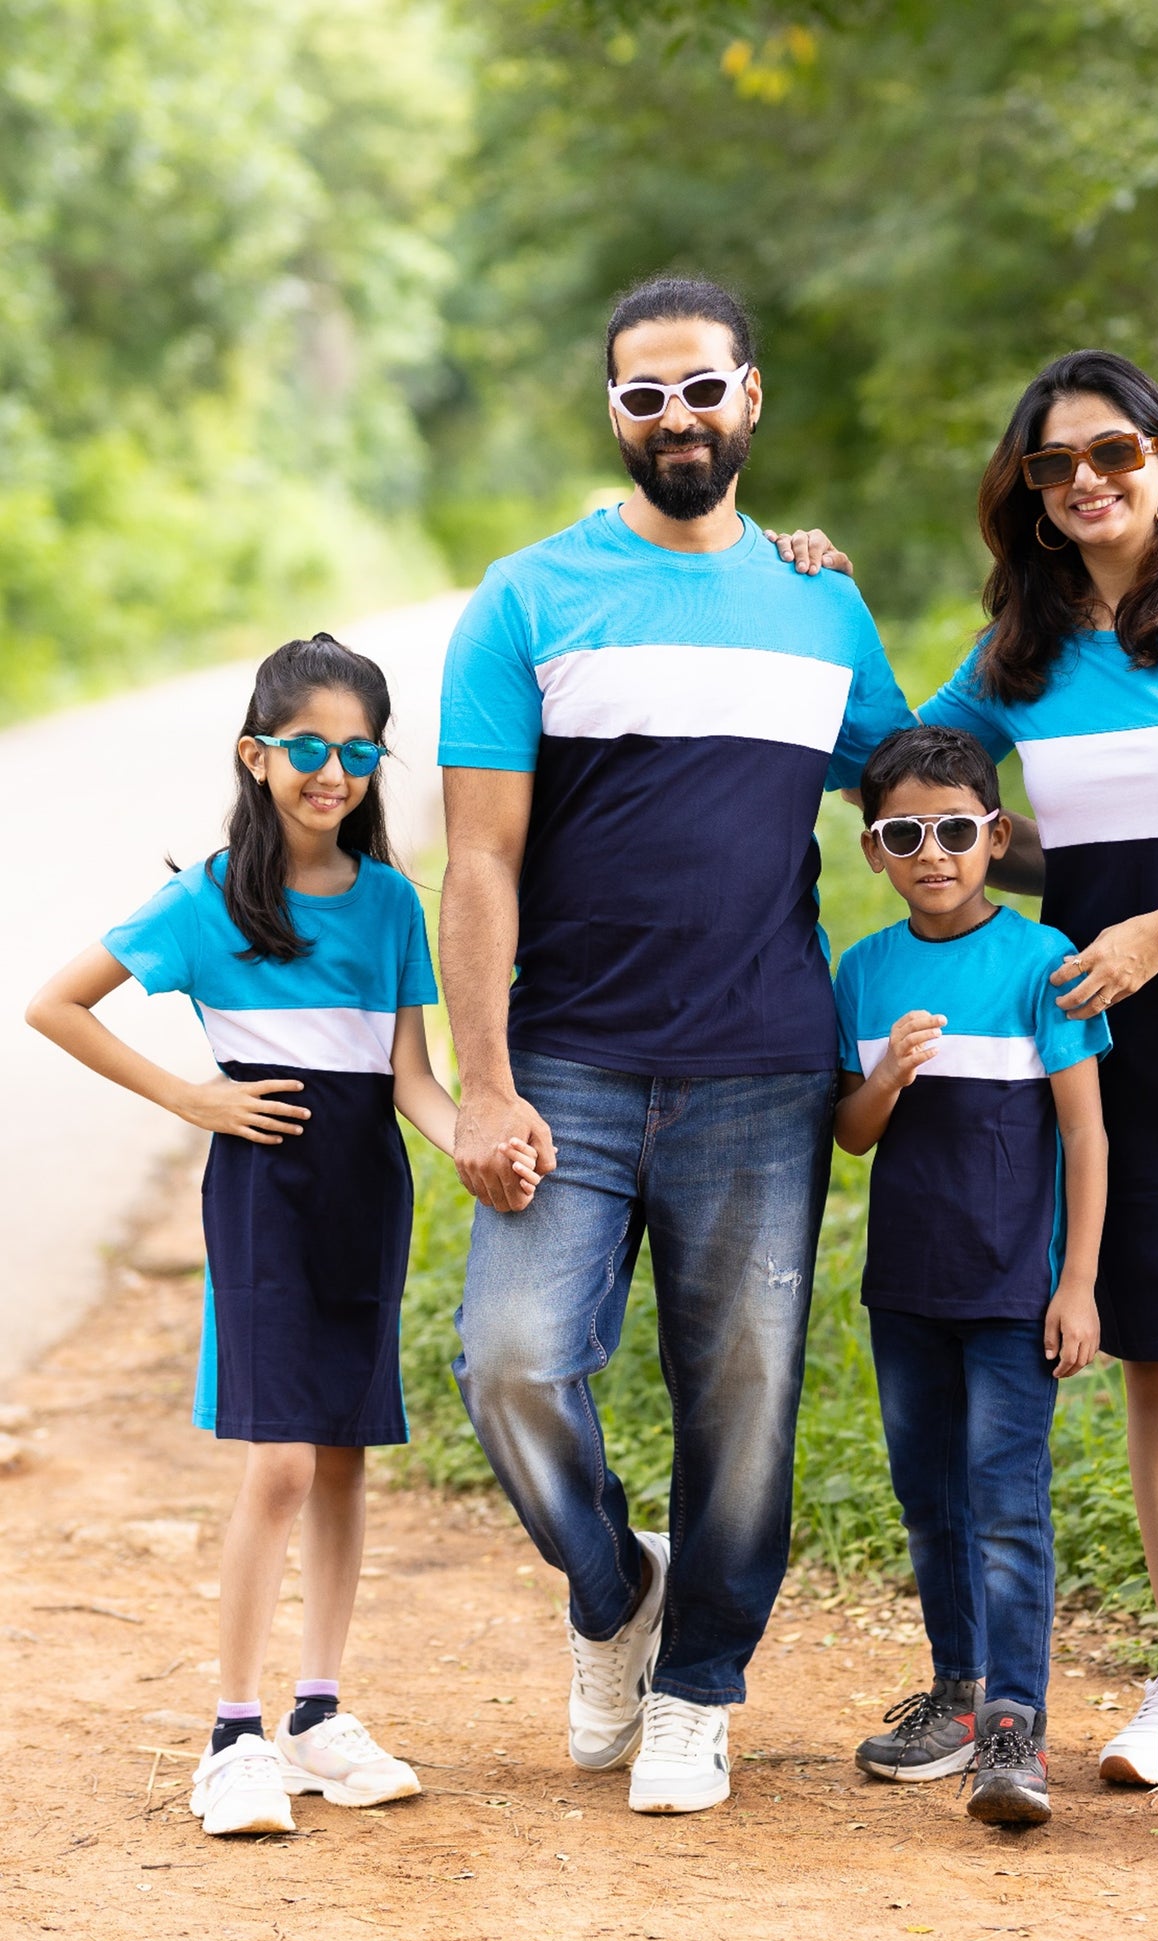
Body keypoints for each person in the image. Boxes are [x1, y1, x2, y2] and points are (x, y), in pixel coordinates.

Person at [780, 347, 1158, 1855]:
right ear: (1030, 494)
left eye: (1114, 450)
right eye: (1053, 464)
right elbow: (902, 772)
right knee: (1155, 1368)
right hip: (1102, 1040)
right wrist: (826, 603)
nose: (1086, 480)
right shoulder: (1023, 656)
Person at [436, 273, 915, 1816]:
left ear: (749, 396)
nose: (677, 417)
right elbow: (478, 859)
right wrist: (484, 1081)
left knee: (744, 1399)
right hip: (566, 1062)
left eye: (702, 387)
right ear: (614, 413)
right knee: (511, 1361)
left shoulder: (820, 603)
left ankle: (700, 1685)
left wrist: (1142, 887)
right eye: (645, 395)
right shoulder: (526, 597)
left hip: (762, 1068)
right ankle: (614, 1588)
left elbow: (918, 790)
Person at [26, 634, 471, 1837]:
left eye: (358, 753)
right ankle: (231, 1734)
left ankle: (317, 1715)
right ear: (254, 754)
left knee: (344, 1455)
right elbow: (56, 1003)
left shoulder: (391, 903)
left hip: (367, 1194)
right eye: (308, 747)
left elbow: (411, 1082)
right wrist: (193, 1099)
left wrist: (476, 1150)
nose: (333, 772)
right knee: (279, 1462)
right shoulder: (210, 898)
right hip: (263, 1195)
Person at [834, 724, 1108, 1824]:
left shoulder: (1043, 962)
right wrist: (889, 1075)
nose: (932, 853)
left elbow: (1084, 1134)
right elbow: (849, 1134)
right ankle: (955, 1696)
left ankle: (1013, 1725)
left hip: (1010, 1294)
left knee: (1005, 1503)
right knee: (928, 1500)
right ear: (873, 850)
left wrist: (1076, 1282)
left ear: (995, 836)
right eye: (904, 835)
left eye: (954, 829)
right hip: (905, 1290)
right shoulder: (862, 971)